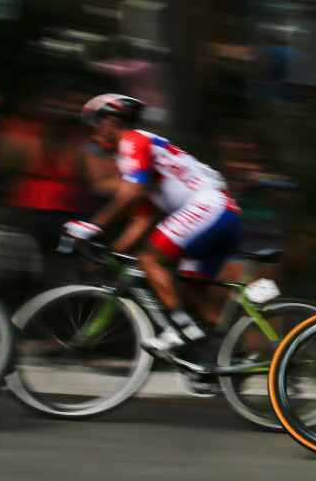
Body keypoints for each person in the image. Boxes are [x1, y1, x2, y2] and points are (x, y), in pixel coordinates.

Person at [63, 94, 243, 363]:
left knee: (149, 258)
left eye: (94, 125)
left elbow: (131, 193)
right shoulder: (138, 157)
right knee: (192, 291)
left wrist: (93, 226)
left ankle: (180, 331)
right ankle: (235, 357)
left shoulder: (134, 141)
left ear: (111, 120)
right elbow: (141, 220)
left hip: (211, 207)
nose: (91, 135)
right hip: (223, 214)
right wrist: (113, 254)